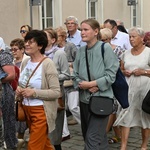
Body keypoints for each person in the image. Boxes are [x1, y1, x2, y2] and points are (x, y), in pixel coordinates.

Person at [72, 18, 119, 150]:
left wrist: (93, 84)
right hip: (84, 100)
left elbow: (111, 75)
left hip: (101, 99)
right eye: (81, 30)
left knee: (92, 139)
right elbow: (74, 75)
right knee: (95, 137)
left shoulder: (105, 49)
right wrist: (83, 85)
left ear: (96, 31)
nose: (82, 32)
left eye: (86, 29)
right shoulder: (81, 51)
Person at [16, 30, 60, 150]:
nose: (26, 44)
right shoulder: (25, 62)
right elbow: (22, 83)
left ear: (40, 46)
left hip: (41, 111)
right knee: (44, 145)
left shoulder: (47, 64)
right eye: (26, 41)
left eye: (31, 42)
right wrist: (19, 90)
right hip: (26, 110)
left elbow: (56, 92)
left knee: (33, 146)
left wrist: (34, 92)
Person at [114, 27, 150, 150]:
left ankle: (144, 145)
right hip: (128, 89)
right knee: (126, 115)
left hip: (144, 89)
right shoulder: (126, 53)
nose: (131, 39)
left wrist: (143, 71)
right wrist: (124, 72)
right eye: (129, 37)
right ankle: (123, 146)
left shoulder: (148, 52)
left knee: (144, 117)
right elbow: (121, 68)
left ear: (142, 38)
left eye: (134, 37)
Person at [44, 27, 70, 150]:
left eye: (45, 37)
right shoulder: (40, 53)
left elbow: (66, 74)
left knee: (55, 126)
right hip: (42, 92)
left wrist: (50, 77)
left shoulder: (59, 53)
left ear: (53, 39)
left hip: (56, 92)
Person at [55, 26, 79, 141]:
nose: (56, 38)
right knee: (61, 108)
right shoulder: (54, 49)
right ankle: (64, 133)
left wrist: (69, 64)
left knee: (73, 107)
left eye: (58, 36)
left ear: (63, 37)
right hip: (60, 83)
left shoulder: (70, 46)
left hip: (71, 81)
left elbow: (79, 61)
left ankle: (86, 124)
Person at [100, 28, 123, 144]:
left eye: (104, 40)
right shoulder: (98, 49)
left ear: (110, 39)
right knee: (110, 109)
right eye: (101, 39)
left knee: (112, 110)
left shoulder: (117, 50)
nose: (103, 42)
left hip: (113, 82)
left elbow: (120, 67)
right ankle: (118, 135)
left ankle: (103, 134)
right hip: (102, 82)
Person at [64, 16, 85, 125]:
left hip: (76, 69)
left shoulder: (81, 36)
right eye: (68, 23)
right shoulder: (65, 37)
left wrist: (72, 64)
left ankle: (84, 120)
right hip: (65, 73)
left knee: (76, 100)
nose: (70, 25)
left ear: (76, 25)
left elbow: (81, 55)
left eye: (72, 23)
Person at [0, 48, 18, 149]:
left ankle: (10, 145)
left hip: (4, 93)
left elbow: (11, 75)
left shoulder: (4, 56)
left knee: (6, 122)